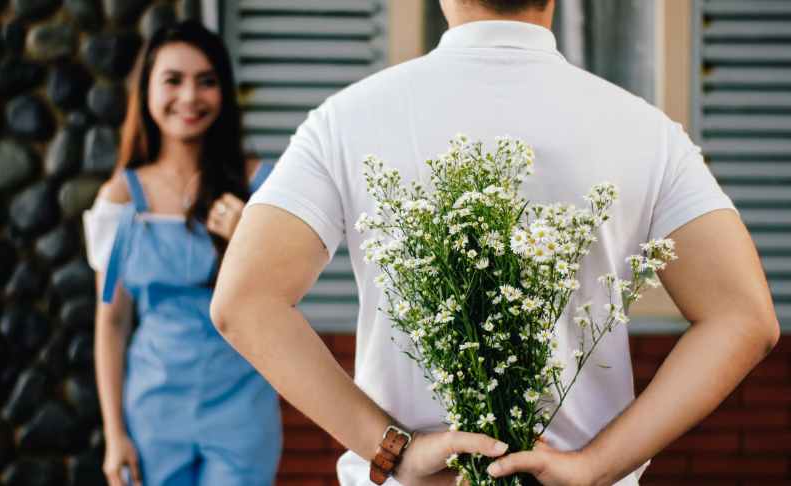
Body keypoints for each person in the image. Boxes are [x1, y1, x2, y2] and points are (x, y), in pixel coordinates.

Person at [210, 1, 780, 485]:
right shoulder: (646, 131)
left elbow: (244, 301)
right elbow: (745, 318)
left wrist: (394, 451)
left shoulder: (347, 120)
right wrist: (594, 467)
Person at [84, 20, 280, 486]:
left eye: (206, 81)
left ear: (224, 93)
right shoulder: (121, 199)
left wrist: (246, 238)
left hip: (243, 408)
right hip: (152, 411)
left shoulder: (264, 187)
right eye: (173, 80)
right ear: (147, 90)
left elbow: (286, 300)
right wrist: (115, 434)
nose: (189, 97)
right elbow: (111, 322)